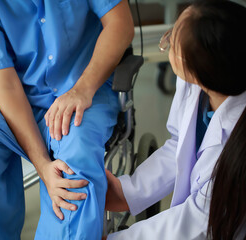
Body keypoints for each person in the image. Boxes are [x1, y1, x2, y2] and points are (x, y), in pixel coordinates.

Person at [0, 0, 134, 239]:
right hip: (5, 92)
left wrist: (83, 88)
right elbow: (5, 83)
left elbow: (120, 23)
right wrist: (42, 165)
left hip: (83, 81)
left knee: (73, 173)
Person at [103, 0, 246, 239]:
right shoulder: (199, 84)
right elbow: (179, 147)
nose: (166, 40)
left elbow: (198, 223)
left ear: (194, 69)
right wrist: (126, 191)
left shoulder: (233, 148)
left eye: (171, 42)